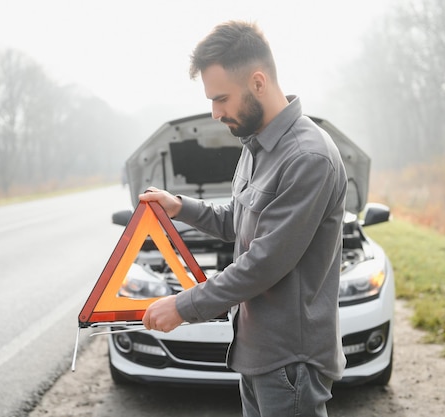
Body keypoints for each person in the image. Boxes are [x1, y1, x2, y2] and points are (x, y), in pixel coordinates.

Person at [140, 20, 347, 417]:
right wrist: (180, 206)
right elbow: (239, 221)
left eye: (221, 98)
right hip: (257, 350)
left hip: (290, 359)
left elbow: (264, 263)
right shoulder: (255, 144)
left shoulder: (308, 157)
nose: (215, 113)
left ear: (257, 82)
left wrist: (184, 306)